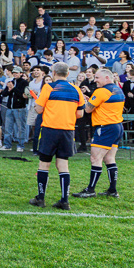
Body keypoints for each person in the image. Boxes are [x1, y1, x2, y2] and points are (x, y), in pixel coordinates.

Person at [30, 62, 86, 211]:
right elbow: (80, 114)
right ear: (68, 74)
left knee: (44, 164)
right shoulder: (76, 90)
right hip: (67, 131)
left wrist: (38, 106)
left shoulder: (49, 88)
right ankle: (64, 200)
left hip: (50, 130)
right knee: (63, 165)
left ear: (53, 73)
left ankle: (40, 198)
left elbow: (39, 109)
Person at [74, 70, 125, 199]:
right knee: (109, 159)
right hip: (117, 126)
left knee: (95, 159)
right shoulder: (118, 89)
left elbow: (88, 109)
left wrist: (86, 100)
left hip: (105, 127)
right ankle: (112, 190)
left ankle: (90, 189)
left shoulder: (101, 91)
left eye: (97, 77)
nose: (95, 80)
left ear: (107, 77)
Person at [1, 67, 29, 153]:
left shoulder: (24, 82)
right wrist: (9, 89)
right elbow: (4, 93)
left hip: (20, 108)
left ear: (21, 73)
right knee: (8, 127)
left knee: (21, 128)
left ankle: (20, 145)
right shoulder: (11, 81)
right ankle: (7, 145)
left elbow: (23, 95)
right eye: (14, 73)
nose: (15, 74)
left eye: (17, 73)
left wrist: (13, 88)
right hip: (10, 108)